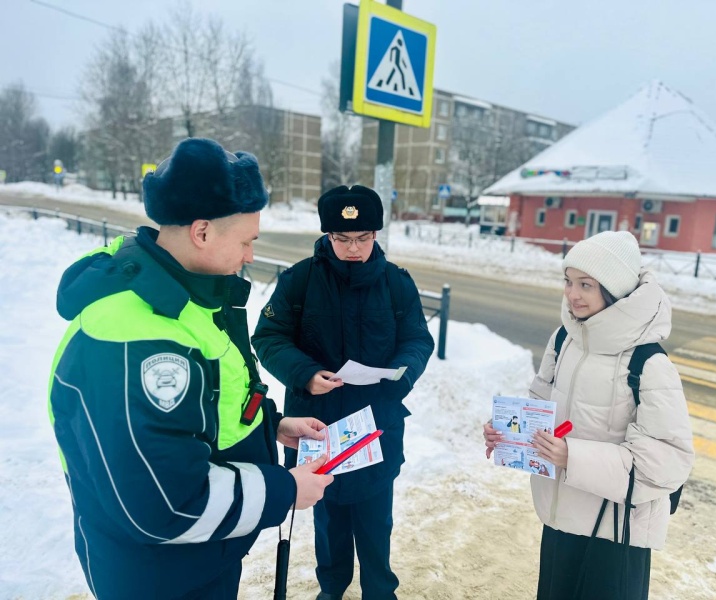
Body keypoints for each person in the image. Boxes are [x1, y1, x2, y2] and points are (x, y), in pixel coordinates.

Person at [48, 138, 333, 599]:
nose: (250, 256)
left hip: (196, 559)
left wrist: (272, 427)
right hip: (160, 576)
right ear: (202, 233)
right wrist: (284, 490)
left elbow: (200, 411)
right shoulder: (139, 339)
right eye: (246, 241)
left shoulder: (179, 296)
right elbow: (167, 504)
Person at [483, 230, 694, 599]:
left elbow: (667, 462)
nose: (572, 294)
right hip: (562, 520)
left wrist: (572, 456)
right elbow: (540, 409)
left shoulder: (649, 363)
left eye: (586, 284)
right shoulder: (564, 339)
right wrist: (508, 432)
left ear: (614, 292)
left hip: (615, 536)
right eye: (568, 281)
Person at [252, 185, 434, 600]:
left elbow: (418, 340)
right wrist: (306, 373)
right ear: (327, 236)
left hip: (377, 424)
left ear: (376, 235)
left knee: (374, 520)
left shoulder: (396, 283)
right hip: (318, 424)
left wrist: (400, 376)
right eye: (342, 239)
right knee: (329, 521)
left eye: (363, 238)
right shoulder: (299, 280)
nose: (353, 248)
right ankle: (331, 589)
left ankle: (379, 592)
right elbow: (268, 338)